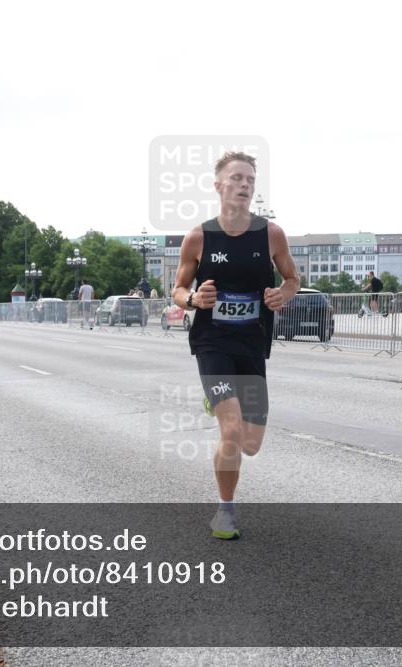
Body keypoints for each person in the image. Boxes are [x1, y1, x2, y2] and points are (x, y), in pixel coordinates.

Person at [171, 151, 299, 540]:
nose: (245, 185)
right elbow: (178, 289)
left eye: (250, 180)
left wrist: (282, 294)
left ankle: (218, 400)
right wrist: (194, 300)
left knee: (251, 444)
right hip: (213, 343)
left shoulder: (271, 234)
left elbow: (292, 279)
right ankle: (224, 512)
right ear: (218, 185)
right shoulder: (199, 237)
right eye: (237, 178)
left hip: (252, 342)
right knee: (230, 430)